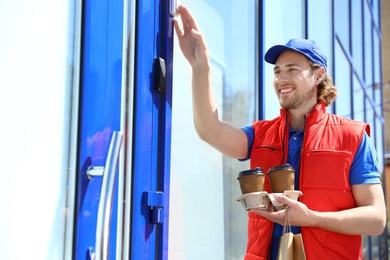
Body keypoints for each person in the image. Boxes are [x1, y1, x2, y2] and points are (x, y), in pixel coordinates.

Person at [174, 5, 387, 260]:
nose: (281, 78)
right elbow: (210, 130)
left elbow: (376, 218)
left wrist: (311, 218)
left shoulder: (352, 137)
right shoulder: (260, 134)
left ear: (319, 75)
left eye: (292, 70)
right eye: (277, 71)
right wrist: (201, 67)